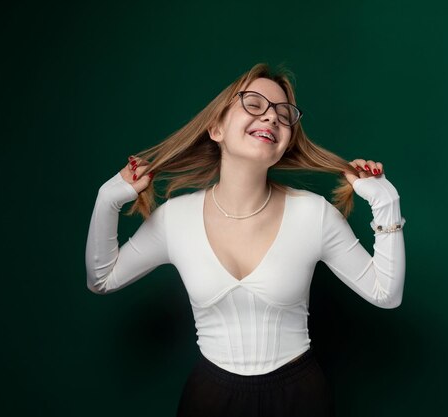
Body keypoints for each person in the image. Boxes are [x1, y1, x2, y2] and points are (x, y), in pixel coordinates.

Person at [85, 63, 406, 417]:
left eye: (283, 114)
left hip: (301, 402)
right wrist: (107, 198)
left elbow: (385, 294)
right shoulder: (174, 219)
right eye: (254, 104)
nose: (271, 118)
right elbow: (102, 278)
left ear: (285, 143)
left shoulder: (314, 215)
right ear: (216, 127)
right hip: (209, 401)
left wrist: (385, 202)